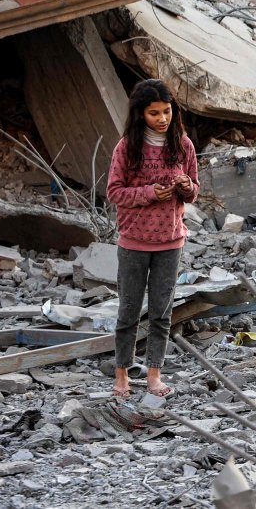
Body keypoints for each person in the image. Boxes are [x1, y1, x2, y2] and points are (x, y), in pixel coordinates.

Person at [106, 79, 199, 399]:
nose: (162, 119)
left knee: (162, 313)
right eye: (154, 113)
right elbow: (114, 192)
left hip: (171, 240)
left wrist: (185, 185)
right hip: (133, 241)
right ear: (140, 114)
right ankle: (121, 377)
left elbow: (195, 192)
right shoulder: (127, 147)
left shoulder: (183, 145)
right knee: (128, 312)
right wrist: (148, 193)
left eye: (167, 111)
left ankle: (154, 376)